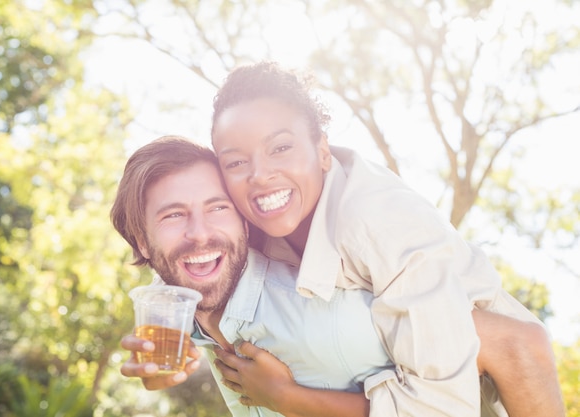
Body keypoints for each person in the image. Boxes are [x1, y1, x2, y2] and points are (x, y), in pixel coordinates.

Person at [208, 61, 565, 417]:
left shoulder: (380, 221)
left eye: (280, 148)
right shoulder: (242, 225)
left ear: (322, 150)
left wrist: (288, 398)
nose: (260, 174)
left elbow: (443, 408)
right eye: (236, 163)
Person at [113, 135, 398, 416]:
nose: (200, 233)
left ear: (245, 225)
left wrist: (289, 399)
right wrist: (157, 369)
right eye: (173, 215)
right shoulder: (184, 312)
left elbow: (434, 406)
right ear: (142, 241)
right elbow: (167, 278)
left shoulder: (326, 312)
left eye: (218, 207)